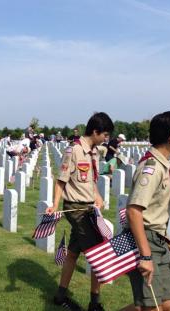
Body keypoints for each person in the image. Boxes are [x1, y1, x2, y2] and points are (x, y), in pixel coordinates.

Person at [120, 111, 170, 311]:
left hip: (160, 239)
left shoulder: (164, 165)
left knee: (165, 302)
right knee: (152, 306)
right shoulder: (151, 168)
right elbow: (134, 210)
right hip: (147, 240)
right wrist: (146, 256)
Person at [46, 112, 114, 311]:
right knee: (98, 252)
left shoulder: (93, 152)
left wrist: (98, 196)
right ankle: (95, 302)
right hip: (76, 208)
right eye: (105, 135)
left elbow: (91, 181)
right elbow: (61, 180)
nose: (105, 139)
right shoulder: (74, 150)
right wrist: (55, 204)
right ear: (95, 131)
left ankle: (60, 295)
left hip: (89, 208)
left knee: (73, 253)